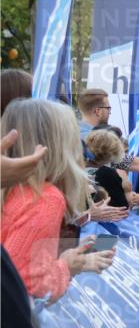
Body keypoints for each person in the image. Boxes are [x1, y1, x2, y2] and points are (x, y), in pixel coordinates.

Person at [1, 99, 115, 302]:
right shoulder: (45, 199)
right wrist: (67, 266)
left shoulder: (9, 190)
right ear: (62, 146)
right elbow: (28, 287)